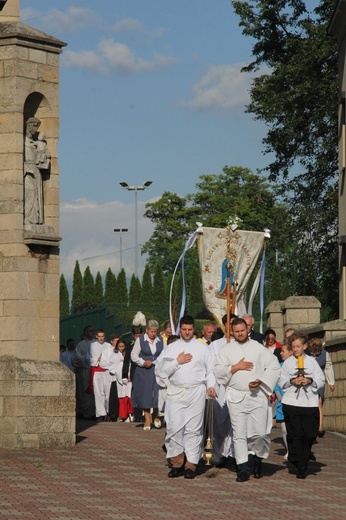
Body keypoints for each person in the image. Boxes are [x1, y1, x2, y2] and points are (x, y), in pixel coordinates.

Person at [214, 317, 280, 482]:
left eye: (242, 330)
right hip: (236, 396)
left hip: (256, 395)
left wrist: (261, 380)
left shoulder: (258, 348)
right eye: (236, 331)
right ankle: (242, 467)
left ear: (247, 330)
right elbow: (218, 370)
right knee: (239, 433)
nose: (240, 333)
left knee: (260, 432)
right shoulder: (226, 350)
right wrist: (235, 367)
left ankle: (257, 457)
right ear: (232, 332)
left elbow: (274, 366)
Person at [155, 315, 215, 479]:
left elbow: (210, 371)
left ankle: (191, 464)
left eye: (190, 329)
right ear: (179, 329)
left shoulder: (203, 348)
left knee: (193, 429)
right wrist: (176, 362)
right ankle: (177, 462)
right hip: (176, 392)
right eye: (184, 329)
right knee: (174, 428)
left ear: (193, 329)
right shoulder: (172, 348)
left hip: (196, 392)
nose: (187, 332)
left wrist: (211, 386)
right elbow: (160, 370)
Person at [279, 332, 325, 479]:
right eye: (293, 347)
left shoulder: (312, 362)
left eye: (298, 346)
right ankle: (301, 463)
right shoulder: (287, 363)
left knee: (310, 433)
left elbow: (320, 379)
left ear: (304, 346)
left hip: (308, 402)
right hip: (292, 402)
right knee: (295, 434)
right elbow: (281, 380)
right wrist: (292, 381)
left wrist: (310, 380)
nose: (296, 349)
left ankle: (303, 455)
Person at [131, 319, 164, 430]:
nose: (153, 334)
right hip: (144, 371)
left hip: (157, 370)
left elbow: (165, 354)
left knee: (157, 393)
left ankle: (155, 415)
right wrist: (143, 362)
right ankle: (147, 419)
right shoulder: (140, 340)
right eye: (151, 332)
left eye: (155, 332)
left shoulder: (161, 340)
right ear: (147, 330)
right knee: (145, 393)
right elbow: (133, 355)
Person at [306, 337, 335, 437]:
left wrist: (331, 382)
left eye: (316, 351)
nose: (314, 353)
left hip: (319, 381)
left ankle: (320, 428)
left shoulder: (325, 354)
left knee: (319, 403)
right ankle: (311, 425)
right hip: (307, 382)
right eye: (312, 351)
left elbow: (328, 368)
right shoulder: (305, 354)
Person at [71, 325, 96, 420]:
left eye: (93, 330)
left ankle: (94, 412)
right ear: (85, 332)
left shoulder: (97, 343)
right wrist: (85, 359)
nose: (92, 332)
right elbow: (75, 358)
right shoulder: (81, 344)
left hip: (95, 371)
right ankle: (84, 412)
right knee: (84, 392)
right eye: (90, 331)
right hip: (85, 371)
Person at [88, 329, 113, 422]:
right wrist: (97, 359)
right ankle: (100, 414)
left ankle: (107, 412)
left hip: (106, 371)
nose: (101, 338)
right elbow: (88, 358)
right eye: (99, 336)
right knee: (98, 392)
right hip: (97, 370)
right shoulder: (92, 346)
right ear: (96, 336)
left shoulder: (108, 346)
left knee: (107, 392)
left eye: (102, 336)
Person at [274, 342, 293, 460]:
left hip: (293, 401)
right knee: (284, 429)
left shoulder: (295, 365)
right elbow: (276, 383)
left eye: (283, 351)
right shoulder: (279, 366)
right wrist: (279, 395)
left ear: (291, 352)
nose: (281, 353)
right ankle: (289, 450)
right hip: (282, 402)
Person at [115, 338, 134, 422]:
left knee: (130, 401)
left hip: (129, 386)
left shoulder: (130, 364)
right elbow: (118, 374)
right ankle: (124, 416)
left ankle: (131, 414)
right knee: (123, 401)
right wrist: (124, 379)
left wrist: (131, 377)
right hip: (123, 386)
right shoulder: (120, 364)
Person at [108, 334, 122, 422]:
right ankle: (114, 414)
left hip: (124, 377)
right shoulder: (114, 353)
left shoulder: (125, 352)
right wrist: (117, 371)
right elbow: (111, 364)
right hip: (115, 377)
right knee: (114, 396)